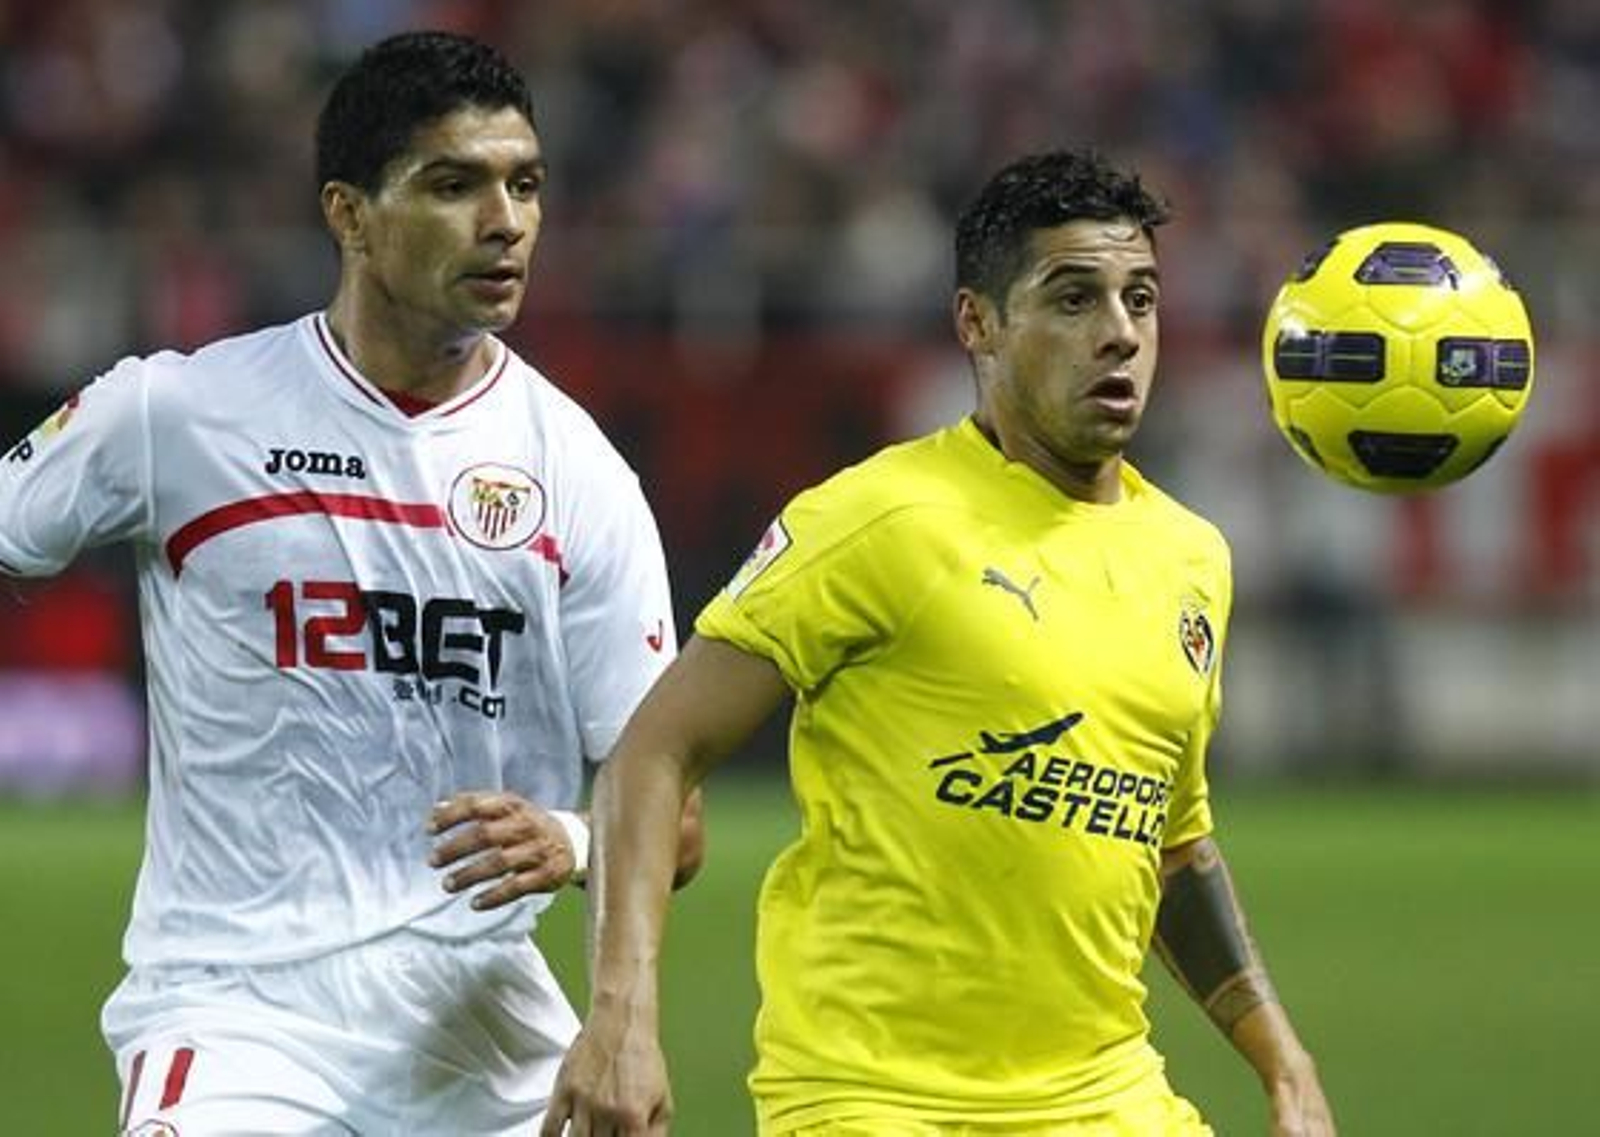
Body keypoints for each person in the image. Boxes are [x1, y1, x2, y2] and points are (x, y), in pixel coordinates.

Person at [544, 149, 1337, 1136]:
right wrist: (622, 1015)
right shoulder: (879, 520)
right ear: (979, 323)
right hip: (874, 1100)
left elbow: (1172, 845)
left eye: (1140, 299)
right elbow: (654, 752)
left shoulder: (1190, 559)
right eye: (1073, 300)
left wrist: (1282, 1059)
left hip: (1105, 1097)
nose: (1120, 335)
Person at [0, 30, 702, 1135]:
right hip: (238, 1015)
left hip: (479, 1026)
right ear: (348, 212)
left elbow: (671, 805)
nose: (504, 221)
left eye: (524, 185)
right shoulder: (178, 416)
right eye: (453, 184)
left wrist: (567, 842)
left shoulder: (578, 475)